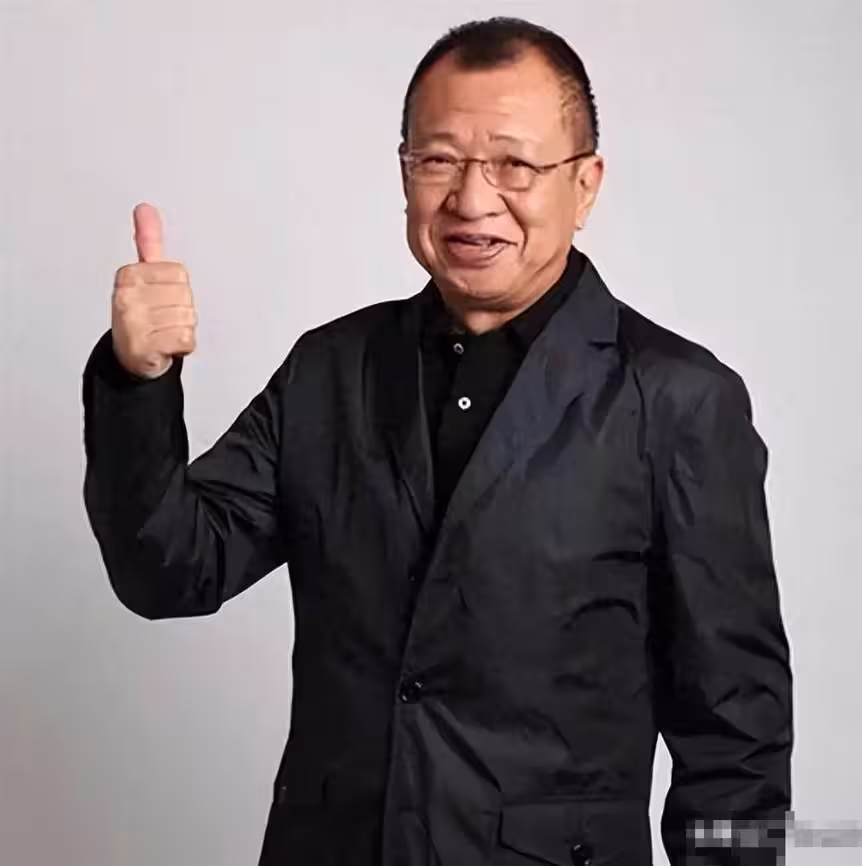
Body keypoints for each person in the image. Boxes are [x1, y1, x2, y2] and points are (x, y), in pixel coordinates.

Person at [82, 16, 793, 866]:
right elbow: (168, 570)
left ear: (585, 184)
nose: (472, 199)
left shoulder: (678, 402)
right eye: (439, 160)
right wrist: (137, 378)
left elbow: (738, 738)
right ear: (405, 173)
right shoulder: (329, 370)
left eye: (515, 164)